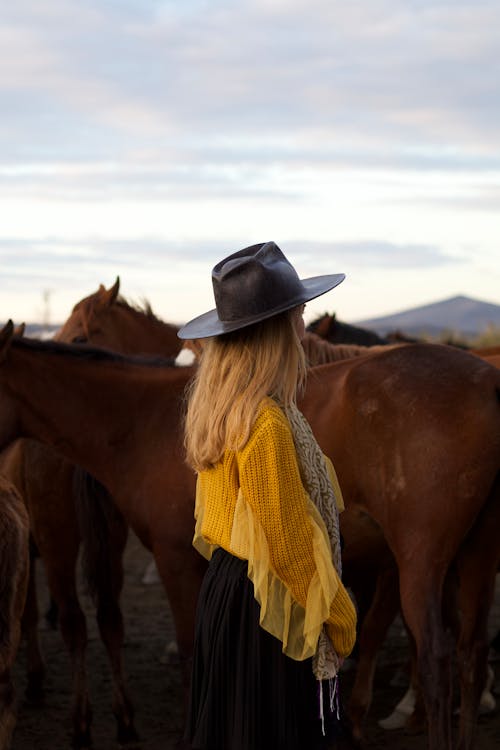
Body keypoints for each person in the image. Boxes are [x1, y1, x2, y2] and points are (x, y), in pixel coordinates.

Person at [177, 241, 357, 750]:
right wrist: (337, 617)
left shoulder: (223, 410)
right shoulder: (266, 422)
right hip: (267, 608)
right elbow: (290, 541)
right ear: (275, 330)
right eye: (298, 315)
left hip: (228, 594)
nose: (304, 328)